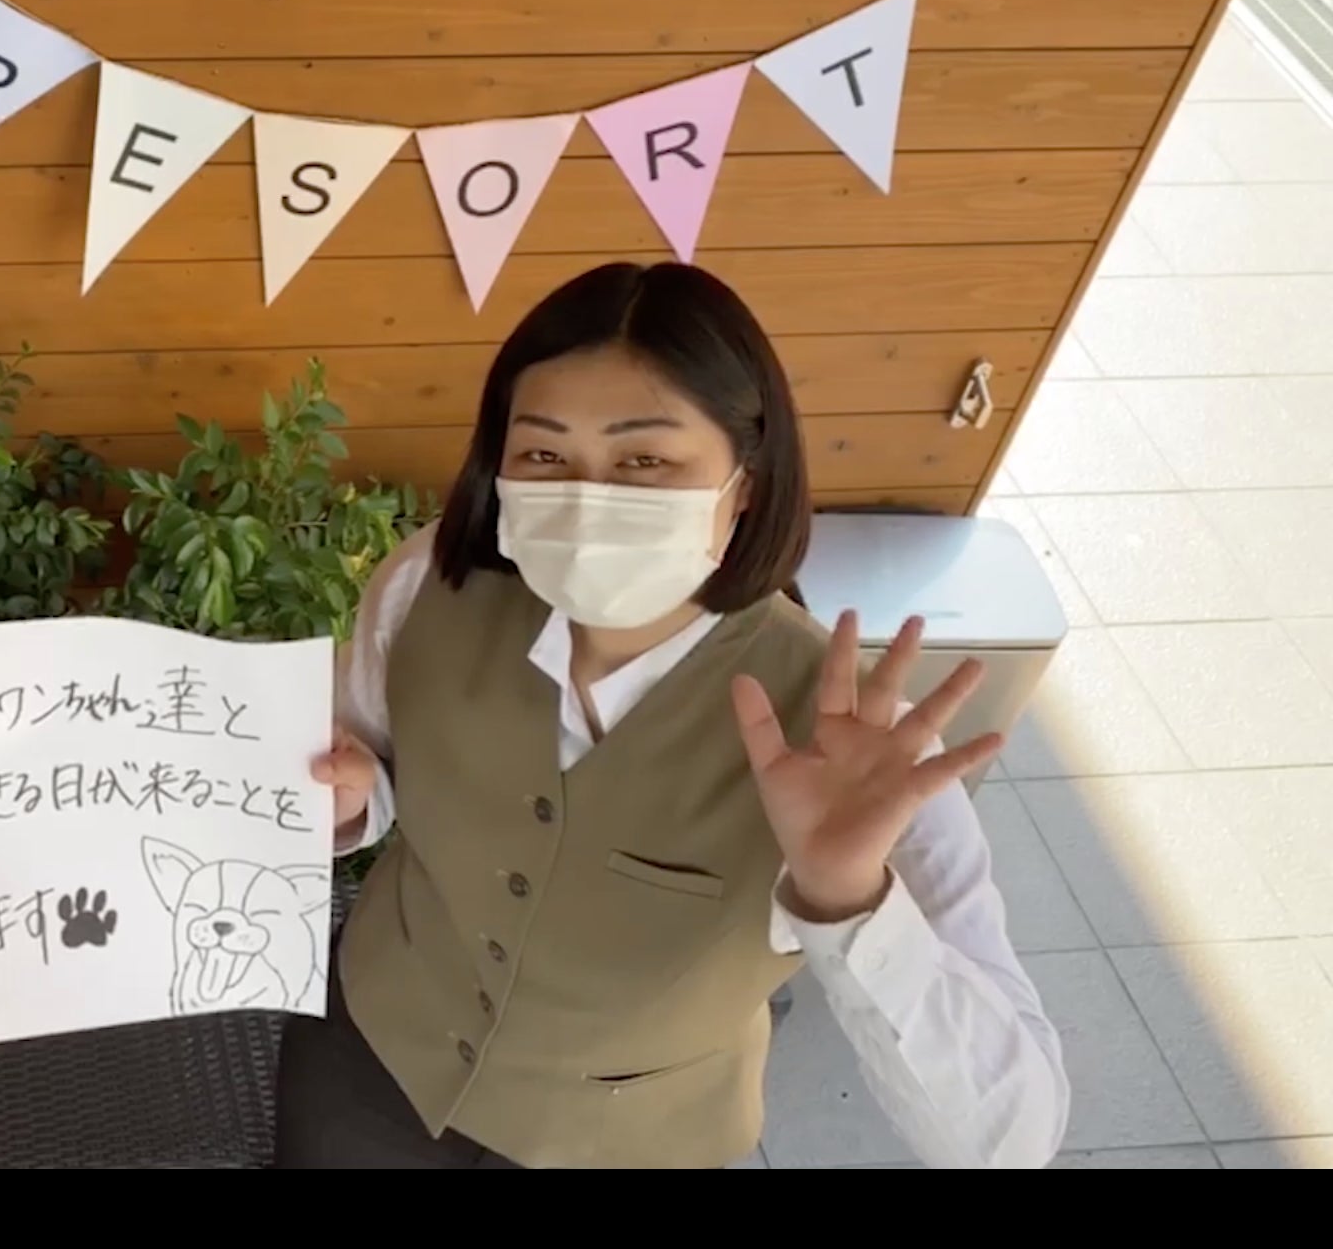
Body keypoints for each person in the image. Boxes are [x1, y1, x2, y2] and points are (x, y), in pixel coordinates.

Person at [285, 261, 1069, 1170]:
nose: (588, 498)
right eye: (544, 456)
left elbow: (1011, 1140)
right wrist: (352, 801)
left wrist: (849, 898)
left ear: (745, 484)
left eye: (645, 460)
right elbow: (374, 754)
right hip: (368, 1068)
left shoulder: (856, 742)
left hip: (629, 1146)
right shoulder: (429, 584)